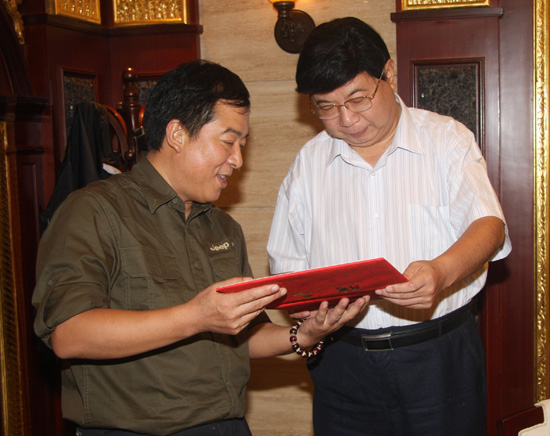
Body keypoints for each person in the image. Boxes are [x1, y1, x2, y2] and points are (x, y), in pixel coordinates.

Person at [32, 60, 368, 436]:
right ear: (177, 134)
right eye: (228, 141)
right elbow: (69, 334)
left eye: (242, 145)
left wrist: (304, 335)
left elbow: (243, 335)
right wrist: (195, 316)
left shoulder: (222, 226)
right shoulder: (93, 211)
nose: (238, 160)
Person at [267, 17, 511, 436]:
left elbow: (489, 225)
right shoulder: (309, 163)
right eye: (326, 107)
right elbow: (287, 263)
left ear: (389, 74)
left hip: (438, 357)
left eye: (358, 98)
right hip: (343, 361)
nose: (346, 119)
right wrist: (306, 306)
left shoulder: (445, 139)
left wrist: (441, 271)